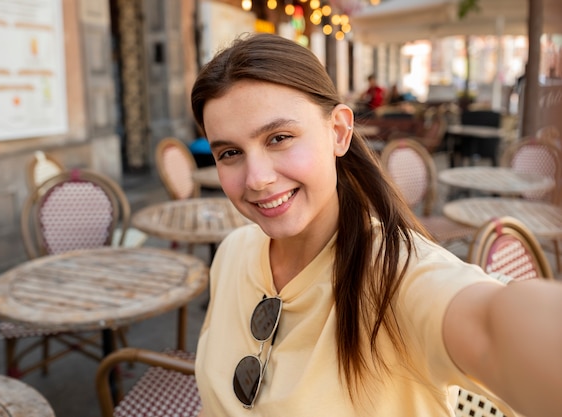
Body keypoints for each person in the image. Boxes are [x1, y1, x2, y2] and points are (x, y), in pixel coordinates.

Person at [190, 33, 562, 416]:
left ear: (338, 131)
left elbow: (493, 328)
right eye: (230, 153)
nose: (256, 178)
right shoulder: (234, 252)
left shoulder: (394, 276)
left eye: (279, 138)